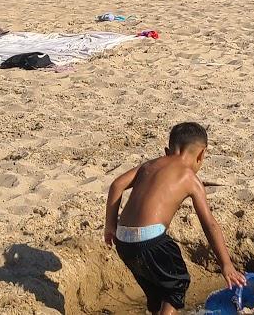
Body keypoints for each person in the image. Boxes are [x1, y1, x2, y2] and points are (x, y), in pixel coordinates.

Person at [104, 123, 244, 313]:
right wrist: (226, 264)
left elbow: (116, 185)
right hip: (151, 240)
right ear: (201, 155)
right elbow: (209, 224)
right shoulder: (190, 179)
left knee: (156, 292)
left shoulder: (149, 165)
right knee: (178, 283)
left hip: (123, 240)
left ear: (167, 151)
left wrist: (110, 226)